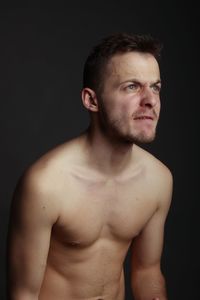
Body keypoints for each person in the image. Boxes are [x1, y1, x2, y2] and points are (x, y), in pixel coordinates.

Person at [7, 32, 173, 300]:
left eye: (155, 87)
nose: (151, 100)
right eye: (132, 86)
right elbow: (23, 294)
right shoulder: (46, 185)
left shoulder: (158, 179)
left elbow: (147, 274)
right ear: (91, 100)